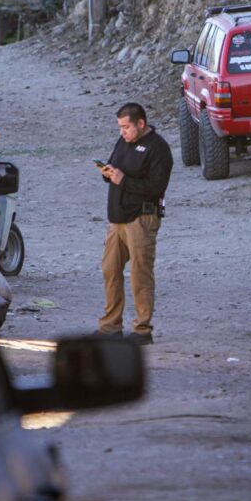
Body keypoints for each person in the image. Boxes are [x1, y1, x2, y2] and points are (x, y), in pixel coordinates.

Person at [96, 103, 173, 345]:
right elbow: (115, 167)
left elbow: (156, 187)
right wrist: (107, 172)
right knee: (110, 270)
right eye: (120, 127)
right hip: (116, 219)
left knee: (140, 274)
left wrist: (123, 180)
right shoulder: (123, 142)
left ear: (141, 123)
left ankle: (142, 329)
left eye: (126, 127)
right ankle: (111, 326)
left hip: (141, 218)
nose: (123, 132)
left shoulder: (158, 148)